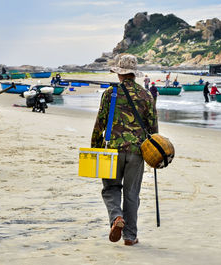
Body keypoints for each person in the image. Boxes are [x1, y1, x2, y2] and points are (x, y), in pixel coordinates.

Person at [91, 54, 158, 246]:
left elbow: (100, 124)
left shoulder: (110, 94)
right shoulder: (146, 95)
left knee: (110, 188)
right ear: (134, 74)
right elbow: (153, 128)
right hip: (137, 152)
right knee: (131, 193)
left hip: (112, 150)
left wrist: (95, 149)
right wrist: (155, 154)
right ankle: (130, 237)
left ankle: (116, 217)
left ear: (119, 73)